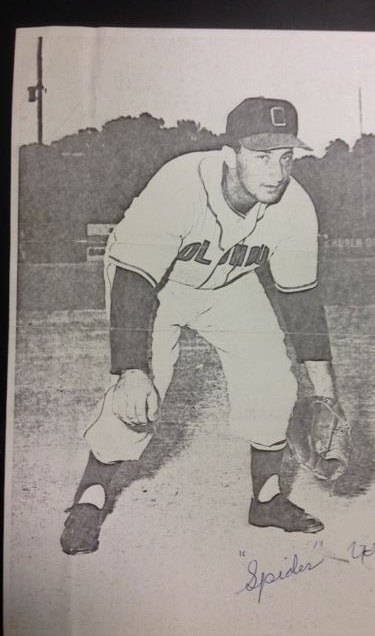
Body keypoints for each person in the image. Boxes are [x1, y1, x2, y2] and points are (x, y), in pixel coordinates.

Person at [61, 97, 341, 555]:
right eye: (262, 156)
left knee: (273, 379)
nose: (277, 171)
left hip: (229, 284)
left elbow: (302, 299)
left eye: (286, 157)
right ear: (230, 155)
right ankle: (89, 498)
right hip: (154, 283)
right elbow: (134, 281)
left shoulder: (295, 207)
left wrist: (326, 388)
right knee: (144, 392)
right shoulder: (180, 185)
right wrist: (130, 369)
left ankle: (267, 498)